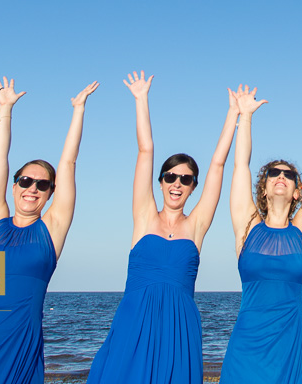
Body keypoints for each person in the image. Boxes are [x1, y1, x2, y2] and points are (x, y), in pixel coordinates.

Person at [0, 77, 98, 384]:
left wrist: (78, 110)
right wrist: (5, 109)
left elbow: (69, 163)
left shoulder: (51, 230)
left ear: (51, 193)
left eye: (42, 184)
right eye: (25, 181)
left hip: (20, 345)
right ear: (14, 186)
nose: (32, 189)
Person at [85, 73, 241, 384]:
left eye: (186, 179)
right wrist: (141, 99)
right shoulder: (143, 216)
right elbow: (145, 150)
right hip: (134, 321)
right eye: (170, 176)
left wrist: (234, 114)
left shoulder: (196, 225)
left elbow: (219, 165)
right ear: (160, 181)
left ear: (193, 187)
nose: (177, 183)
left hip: (179, 327)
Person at [218, 77, 302, 384]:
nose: (280, 176)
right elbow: (240, 165)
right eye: (273, 172)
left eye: (288, 174)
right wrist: (245, 117)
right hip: (247, 349)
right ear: (265, 188)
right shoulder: (247, 225)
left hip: (292, 348)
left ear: (298, 191)